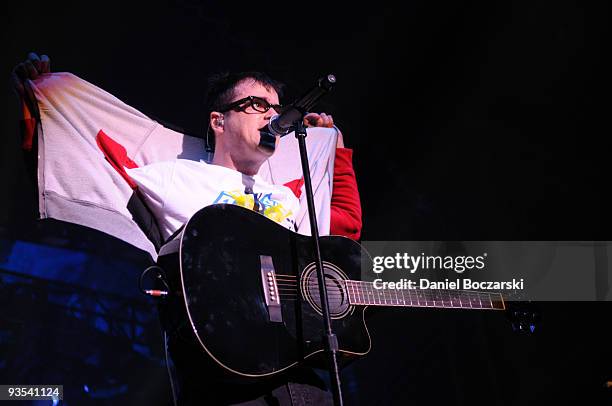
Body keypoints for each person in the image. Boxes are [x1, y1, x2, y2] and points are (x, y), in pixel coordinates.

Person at [12, 53, 362, 405]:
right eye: (257, 104)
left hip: (299, 371)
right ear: (218, 121)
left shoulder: (287, 194)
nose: (273, 114)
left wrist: (335, 150)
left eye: (276, 107)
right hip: (225, 370)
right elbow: (83, 161)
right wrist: (43, 104)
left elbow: (342, 234)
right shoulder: (175, 177)